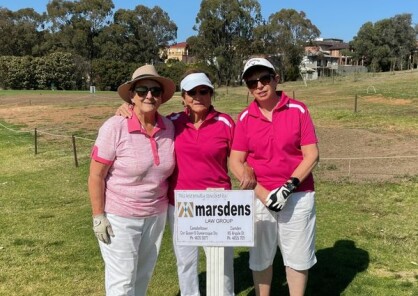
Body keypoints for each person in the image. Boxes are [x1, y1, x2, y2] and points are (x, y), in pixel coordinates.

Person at [117, 70, 255, 296]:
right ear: (183, 97)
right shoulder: (172, 122)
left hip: (218, 203)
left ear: (211, 95)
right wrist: (127, 109)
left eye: (204, 91)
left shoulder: (225, 122)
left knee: (220, 265)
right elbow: (144, 117)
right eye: (192, 92)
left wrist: (246, 169)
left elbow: (240, 157)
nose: (198, 96)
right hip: (182, 205)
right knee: (186, 264)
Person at [228, 57, 319, 296]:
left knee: (297, 259)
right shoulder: (245, 118)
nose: (258, 85)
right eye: (251, 82)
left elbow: (311, 155)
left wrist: (287, 188)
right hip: (261, 199)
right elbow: (235, 160)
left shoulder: (298, 109)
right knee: (260, 258)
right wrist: (264, 194)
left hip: (297, 196)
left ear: (275, 79)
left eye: (264, 78)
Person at [88, 64, 176, 296]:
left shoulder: (169, 127)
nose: (149, 95)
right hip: (120, 217)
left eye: (155, 91)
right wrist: (98, 216)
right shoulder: (115, 126)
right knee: (123, 281)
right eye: (142, 90)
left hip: (156, 216)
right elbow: (96, 175)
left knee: (142, 276)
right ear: (132, 96)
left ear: (161, 97)